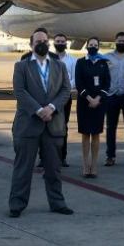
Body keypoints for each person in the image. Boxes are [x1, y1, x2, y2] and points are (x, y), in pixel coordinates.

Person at [9, 28, 74, 217]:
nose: (42, 44)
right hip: (29, 125)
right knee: (23, 169)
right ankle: (17, 204)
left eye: (45, 41)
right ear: (31, 45)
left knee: (54, 169)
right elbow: (20, 92)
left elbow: (65, 90)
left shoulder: (59, 66)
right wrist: (39, 110)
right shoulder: (21, 67)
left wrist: (51, 108)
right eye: (38, 41)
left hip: (53, 125)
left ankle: (57, 202)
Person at [74, 37, 111, 178]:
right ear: (87, 46)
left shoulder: (103, 63)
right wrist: (89, 98)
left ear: (98, 47)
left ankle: (94, 165)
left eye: (96, 45)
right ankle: (85, 164)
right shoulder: (81, 62)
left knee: (96, 134)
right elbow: (79, 83)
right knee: (85, 134)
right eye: (91, 45)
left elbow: (107, 83)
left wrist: (98, 99)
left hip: (99, 103)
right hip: (85, 102)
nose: (93, 47)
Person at [103, 31, 124, 167]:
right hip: (112, 96)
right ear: (115, 41)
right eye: (119, 41)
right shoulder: (106, 57)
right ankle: (110, 156)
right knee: (111, 127)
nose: (121, 43)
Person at [53, 33, 77, 167]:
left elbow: (74, 79)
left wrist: (64, 88)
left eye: (62, 41)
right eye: (58, 41)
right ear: (54, 43)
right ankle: (43, 157)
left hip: (65, 98)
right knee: (47, 128)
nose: (60, 43)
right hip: (50, 98)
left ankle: (62, 156)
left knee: (63, 127)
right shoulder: (48, 59)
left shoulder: (73, 60)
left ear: (66, 43)